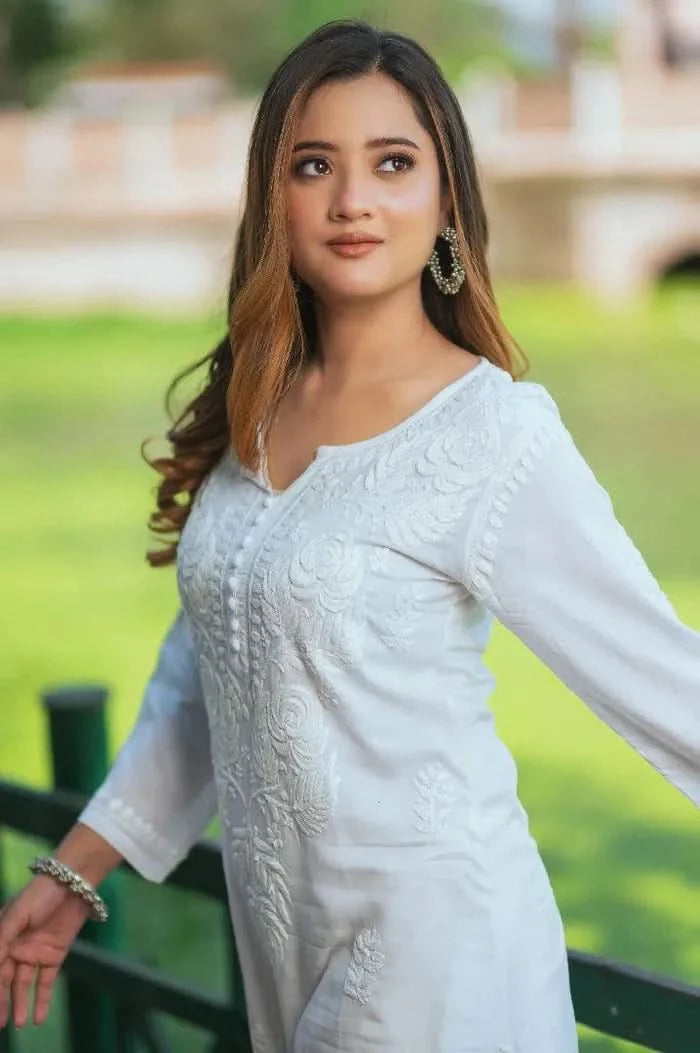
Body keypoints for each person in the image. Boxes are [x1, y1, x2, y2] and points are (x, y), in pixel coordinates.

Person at [0, 18, 698, 1052]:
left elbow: (661, 679)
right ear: (270, 196)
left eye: (393, 162)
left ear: (446, 198)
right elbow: (206, 683)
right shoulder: (256, 407)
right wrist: (73, 875)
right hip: (281, 956)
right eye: (313, 163)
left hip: (441, 966)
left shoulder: (491, 433)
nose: (352, 200)